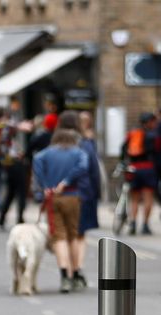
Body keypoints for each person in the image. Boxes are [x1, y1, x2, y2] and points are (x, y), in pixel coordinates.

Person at [32, 118, 89, 293]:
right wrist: (67, 181)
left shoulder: (46, 153)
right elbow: (84, 166)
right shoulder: (78, 152)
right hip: (72, 196)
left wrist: (45, 186)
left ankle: (64, 275)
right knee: (73, 235)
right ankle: (75, 273)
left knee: (59, 237)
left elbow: (36, 163)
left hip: (52, 198)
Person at [56, 110, 101, 290]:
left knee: (63, 235)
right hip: (83, 193)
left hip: (59, 195)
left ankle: (65, 273)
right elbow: (93, 170)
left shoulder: (54, 145)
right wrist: (96, 193)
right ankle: (76, 271)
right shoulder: (85, 144)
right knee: (79, 235)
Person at [0, 106, 30, 231]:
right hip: (14, 162)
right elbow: (16, 127)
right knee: (21, 191)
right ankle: (19, 219)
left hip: (7, 164)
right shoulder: (3, 127)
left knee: (11, 192)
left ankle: (2, 219)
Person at [120, 112, 160, 235]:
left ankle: (132, 223)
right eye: (153, 121)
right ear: (148, 122)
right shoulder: (153, 135)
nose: (155, 124)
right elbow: (158, 152)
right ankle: (145, 225)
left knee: (135, 198)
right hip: (148, 168)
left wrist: (124, 163)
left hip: (134, 169)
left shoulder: (132, 134)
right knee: (148, 198)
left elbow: (123, 150)